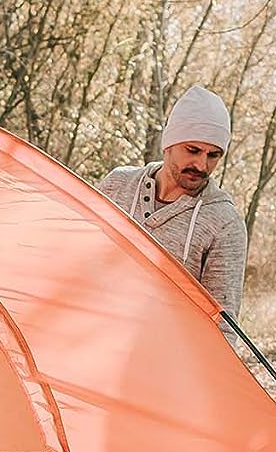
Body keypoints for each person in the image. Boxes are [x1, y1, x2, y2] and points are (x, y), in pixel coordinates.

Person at [95, 87, 249, 316]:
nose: (201, 165)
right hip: (93, 337)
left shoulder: (224, 223)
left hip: (162, 351)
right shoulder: (117, 186)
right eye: (193, 150)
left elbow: (223, 325)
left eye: (213, 155)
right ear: (168, 144)